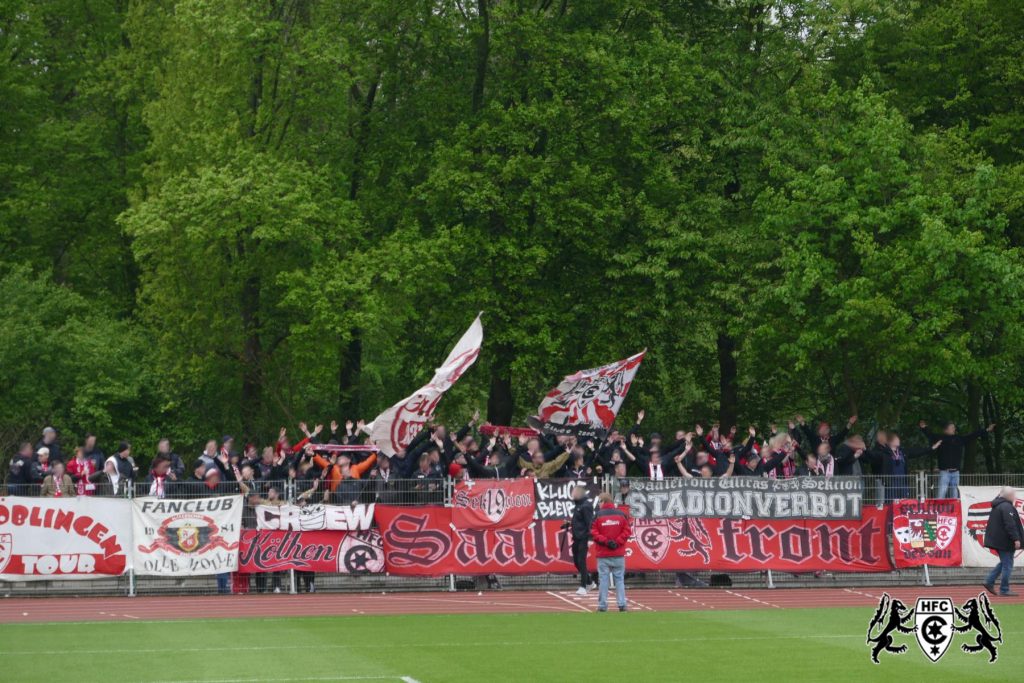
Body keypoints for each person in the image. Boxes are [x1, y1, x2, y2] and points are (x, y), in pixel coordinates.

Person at [920, 420, 995, 499]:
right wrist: (924, 428)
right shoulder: (940, 439)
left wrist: (986, 430)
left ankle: (954, 511)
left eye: (954, 427)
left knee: (955, 496)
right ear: (946, 430)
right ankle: (939, 510)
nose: (954, 429)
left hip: (956, 473)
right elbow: (930, 435)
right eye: (952, 427)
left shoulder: (959, 439)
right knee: (941, 495)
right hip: (944, 472)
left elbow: (973, 435)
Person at [590, 492, 631, 613]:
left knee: (603, 580)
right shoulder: (621, 514)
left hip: (603, 553)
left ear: (603, 501)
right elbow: (627, 531)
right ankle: (622, 604)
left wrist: (606, 542)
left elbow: (594, 532)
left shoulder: (597, 515)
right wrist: (617, 542)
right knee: (619, 579)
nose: (599, 504)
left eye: (599, 502)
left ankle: (602, 605)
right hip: (618, 552)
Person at [983, 486, 1022, 597]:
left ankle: (989, 581)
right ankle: (1004, 589)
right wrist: (1016, 538)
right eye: (1013, 494)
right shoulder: (1006, 507)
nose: (1015, 496)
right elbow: (1010, 524)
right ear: (1009, 495)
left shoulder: (999, 505)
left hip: (1000, 540)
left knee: (1005, 563)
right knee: (1008, 565)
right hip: (1005, 541)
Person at [569, 486, 596, 596]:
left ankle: (583, 586)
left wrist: (590, 538)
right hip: (576, 538)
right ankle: (589, 582)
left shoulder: (586, 506)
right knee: (576, 561)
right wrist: (569, 524)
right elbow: (579, 521)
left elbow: (590, 523)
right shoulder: (578, 505)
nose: (572, 494)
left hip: (583, 538)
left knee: (581, 561)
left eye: (574, 492)